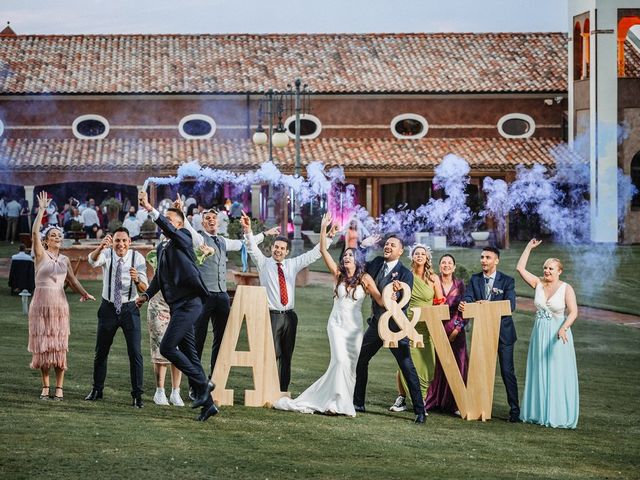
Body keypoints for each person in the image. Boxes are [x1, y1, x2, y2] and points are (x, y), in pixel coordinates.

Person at [274, 212, 384, 416]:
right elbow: (323, 250)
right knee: (340, 360)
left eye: (351, 255)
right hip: (336, 324)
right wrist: (324, 228)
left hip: (355, 328)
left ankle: (339, 402)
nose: (347, 257)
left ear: (357, 259)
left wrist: (395, 293)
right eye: (345, 255)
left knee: (349, 366)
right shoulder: (338, 275)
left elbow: (380, 300)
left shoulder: (366, 279)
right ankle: (334, 401)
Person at [177, 197, 279, 386]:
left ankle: (214, 380)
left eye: (213, 218)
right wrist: (181, 212)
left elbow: (243, 244)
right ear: (202, 222)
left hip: (222, 296)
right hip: (203, 296)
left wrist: (265, 234)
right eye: (207, 219)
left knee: (222, 340)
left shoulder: (223, 241)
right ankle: (195, 385)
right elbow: (188, 229)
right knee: (197, 340)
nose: (211, 221)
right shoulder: (199, 239)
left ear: (218, 221)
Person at [134, 191, 218, 422]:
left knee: (167, 348)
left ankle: (203, 384)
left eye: (170, 219)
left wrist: (151, 209)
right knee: (190, 354)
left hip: (191, 303)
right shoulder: (162, 248)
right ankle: (208, 405)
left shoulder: (183, 237)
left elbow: (169, 228)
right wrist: (146, 295)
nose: (167, 223)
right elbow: (159, 278)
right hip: (177, 306)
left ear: (179, 224)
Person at [240, 211, 333, 392]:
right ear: (271, 248)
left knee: (286, 356)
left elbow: (314, 254)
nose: (278, 250)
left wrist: (328, 237)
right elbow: (251, 247)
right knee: (271, 354)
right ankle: (266, 387)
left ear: (287, 252)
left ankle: (282, 390)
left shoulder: (292, 265)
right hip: (272, 315)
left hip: (290, 317)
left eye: (282, 248)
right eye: (276, 247)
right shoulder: (263, 263)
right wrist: (248, 230)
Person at [28, 191, 95, 401]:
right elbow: (34, 233)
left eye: (59, 235)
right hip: (40, 303)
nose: (57, 237)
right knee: (44, 346)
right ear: (46, 241)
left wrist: (85, 293)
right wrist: (41, 210)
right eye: (53, 235)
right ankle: (45, 386)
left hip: (59, 304)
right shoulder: (40, 255)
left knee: (59, 346)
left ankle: (59, 388)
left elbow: (72, 281)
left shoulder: (65, 260)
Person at [353, 235, 427, 424]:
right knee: (361, 359)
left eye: (392, 245)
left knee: (406, 365)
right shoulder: (377, 263)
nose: (388, 247)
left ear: (400, 251)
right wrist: (363, 246)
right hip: (376, 323)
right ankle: (358, 402)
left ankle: (420, 410)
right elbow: (357, 265)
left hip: (395, 326)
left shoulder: (405, 274)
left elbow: (405, 301)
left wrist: (395, 295)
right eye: (386, 244)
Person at [516, 239, 579, 428]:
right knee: (539, 370)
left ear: (559, 271)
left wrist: (563, 327)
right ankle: (538, 412)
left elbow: (574, 311)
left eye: (551, 269)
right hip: (540, 332)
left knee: (556, 372)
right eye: (545, 268)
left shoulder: (566, 288)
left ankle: (557, 414)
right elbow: (520, 268)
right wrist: (528, 247)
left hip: (558, 334)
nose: (547, 271)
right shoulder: (538, 283)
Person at [84, 228, 149, 407]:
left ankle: (137, 395)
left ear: (130, 242)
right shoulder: (107, 253)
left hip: (130, 308)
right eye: (117, 241)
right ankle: (97, 389)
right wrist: (100, 247)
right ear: (112, 242)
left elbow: (146, 289)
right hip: (108, 308)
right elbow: (92, 261)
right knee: (101, 351)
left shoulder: (138, 258)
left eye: (124, 241)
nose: (120, 244)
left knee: (135, 353)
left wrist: (137, 280)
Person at [459, 247, 519, 422]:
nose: (484, 260)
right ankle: (479, 407)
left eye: (488, 257)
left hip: (504, 334)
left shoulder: (507, 281)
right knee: (480, 371)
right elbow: (468, 298)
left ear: (496, 260)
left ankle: (514, 411)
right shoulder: (475, 279)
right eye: (482, 257)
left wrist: (488, 305)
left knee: (507, 372)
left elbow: (510, 306)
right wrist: (465, 304)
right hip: (482, 334)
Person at [389, 244, 444, 413]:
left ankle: (422, 397)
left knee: (429, 365)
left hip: (427, 328)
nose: (420, 256)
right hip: (409, 325)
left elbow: (440, 301)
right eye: (416, 254)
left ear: (427, 258)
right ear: (412, 257)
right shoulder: (406, 276)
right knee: (407, 363)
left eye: (423, 254)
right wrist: (393, 295)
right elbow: (397, 297)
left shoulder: (434, 278)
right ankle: (411, 401)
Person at [424, 253, 468, 414]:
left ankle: (456, 403)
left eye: (450, 263)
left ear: (454, 267)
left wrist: (457, 329)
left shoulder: (460, 285)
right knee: (439, 366)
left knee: (458, 365)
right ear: (440, 265)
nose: (446, 265)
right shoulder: (433, 282)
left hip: (457, 330)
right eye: (443, 262)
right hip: (437, 328)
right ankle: (435, 400)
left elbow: (465, 308)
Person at [145, 250, 185, 407]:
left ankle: (176, 392)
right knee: (161, 348)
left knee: (179, 349)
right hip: (159, 305)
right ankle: (159, 391)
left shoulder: (186, 254)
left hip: (179, 306)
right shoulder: (156, 254)